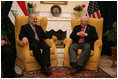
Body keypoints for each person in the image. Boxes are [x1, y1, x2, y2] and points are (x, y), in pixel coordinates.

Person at [1, 1, 23, 78]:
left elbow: (8, 4)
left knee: (13, 50)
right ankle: (7, 75)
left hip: (4, 42)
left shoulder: (3, 16)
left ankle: (10, 73)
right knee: (9, 52)